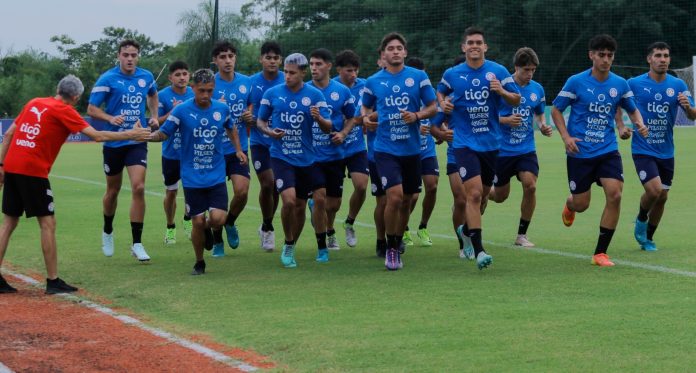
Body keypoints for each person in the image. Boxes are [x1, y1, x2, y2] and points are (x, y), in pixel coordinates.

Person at [0, 75, 151, 294]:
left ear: (58, 88)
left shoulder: (33, 103)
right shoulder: (65, 110)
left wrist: (1, 165)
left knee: (8, 223)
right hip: (33, 171)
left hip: (12, 165)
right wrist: (132, 134)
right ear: (76, 97)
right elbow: (97, 136)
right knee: (48, 224)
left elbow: (9, 134)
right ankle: (53, 281)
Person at [552, 34, 648, 267]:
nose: (606, 59)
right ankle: (570, 204)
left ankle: (600, 253)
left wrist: (638, 124)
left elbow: (632, 109)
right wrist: (565, 137)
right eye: (601, 55)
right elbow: (556, 110)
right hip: (580, 152)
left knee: (615, 194)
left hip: (607, 149)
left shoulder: (620, 84)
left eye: (610, 55)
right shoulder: (576, 81)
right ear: (591, 55)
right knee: (582, 204)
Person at [437, 27, 521, 270]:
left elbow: (516, 99)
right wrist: (444, 105)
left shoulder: (498, 71)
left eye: (479, 42)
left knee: (483, 197)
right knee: (472, 195)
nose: (474, 46)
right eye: (470, 42)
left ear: (485, 47)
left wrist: (502, 90)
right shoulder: (452, 74)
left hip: (491, 144)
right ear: (463, 48)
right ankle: (480, 251)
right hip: (464, 144)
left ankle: (467, 231)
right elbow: (439, 94)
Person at [361, 33, 437, 271]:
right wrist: (366, 119)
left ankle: (395, 242)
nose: (395, 51)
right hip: (385, 150)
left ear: (405, 52)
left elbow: (433, 106)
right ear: (384, 54)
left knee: (406, 201)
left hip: (412, 150)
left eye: (399, 48)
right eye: (390, 48)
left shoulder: (419, 77)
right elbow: (366, 105)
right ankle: (390, 249)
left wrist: (417, 116)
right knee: (393, 197)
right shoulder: (373, 81)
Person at [147, 69, 233, 275]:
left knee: (219, 219)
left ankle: (207, 228)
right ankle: (199, 262)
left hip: (216, 175)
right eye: (201, 90)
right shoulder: (181, 110)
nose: (205, 95)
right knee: (196, 220)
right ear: (193, 88)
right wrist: (148, 136)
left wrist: (238, 150)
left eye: (209, 91)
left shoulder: (222, 108)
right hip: (192, 176)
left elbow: (231, 127)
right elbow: (164, 133)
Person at [256, 53, 332, 268]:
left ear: (302, 73)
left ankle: (292, 243)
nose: (286, 76)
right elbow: (260, 121)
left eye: (291, 73)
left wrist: (319, 118)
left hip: (307, 159)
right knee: (288, 201)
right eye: (286, 72)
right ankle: (288, 244)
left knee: (299, 206)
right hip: (281, 156)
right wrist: (270, 132)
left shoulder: (315, 95)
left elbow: (328, 128)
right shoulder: (272, 94)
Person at [87, 39, 159, 262]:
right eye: (126, 55)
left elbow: (153, 95)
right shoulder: (108, 79)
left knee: (139, 187)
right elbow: (91, 108)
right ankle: (107, 230)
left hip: (137, 139)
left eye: (134, 55)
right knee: (113, 190)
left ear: (138, 56)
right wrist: (110, 117)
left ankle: (137, 243)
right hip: (114, 142)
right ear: (118, 56)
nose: (130, 59)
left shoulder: (146, 76)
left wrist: (154, 115)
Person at [620, 42, 696, 251]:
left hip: (667, 150)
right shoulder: (634, 84)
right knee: (653, 191)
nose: (663, 59)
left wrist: (688, 107)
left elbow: (693, 115)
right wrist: (621, 127)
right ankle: (641, 219)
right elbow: (618, 104)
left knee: (662, 197)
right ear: (649, 59)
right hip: (643, 148)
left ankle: (648, 238)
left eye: (666, 56)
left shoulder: (678, 85)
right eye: (658, 55)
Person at [488, 47, 553, 247]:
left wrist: (542, 125)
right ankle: (481, 192)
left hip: (526, 149)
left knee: (530, 185)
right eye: (526, 70)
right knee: (500, 197)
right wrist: (506, 120)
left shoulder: (537, 89)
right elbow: (488, 117)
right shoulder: (502, 86)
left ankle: (521, 235)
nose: (530, 74)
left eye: (533, 70)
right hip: (502, 150)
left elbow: (540, 113)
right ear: (516, 67)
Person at [307, 48, 356, 251]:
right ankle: (323, 240)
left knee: (333, 204)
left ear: (328, 66)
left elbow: (352, 118)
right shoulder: (304, 91)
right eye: (311, 64)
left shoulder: (342, 91)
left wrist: (343, 134)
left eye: (318, 64)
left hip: (335, 154)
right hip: (311, 156)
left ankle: (329, 228)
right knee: (319, 197)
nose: (314, 68)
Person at [211, 40, 254, 257]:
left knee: (242, 191)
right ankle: (217, 241)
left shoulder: (246, 82)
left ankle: (230, 222)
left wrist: (249, 115)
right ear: (215, 61)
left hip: (239, 149)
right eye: (222, 57)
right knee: (216, 201)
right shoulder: (209, 85)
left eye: (230, 56)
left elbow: (252, 106)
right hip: (214, 152)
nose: (227, 61)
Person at [248, 41, 285, 252]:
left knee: (278, 186)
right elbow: (244, 109)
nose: (272, 61)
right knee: (267, 184)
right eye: (268, 57)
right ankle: (269, 227)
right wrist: (249, 117)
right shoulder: (252, 83)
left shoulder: (287, 80)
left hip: (281, 143)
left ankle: (266, 225)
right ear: (261, 59)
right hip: (259, 141)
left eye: (276, 58)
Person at [333, 50, 369, 248]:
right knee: (333, 202)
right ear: (339, 70)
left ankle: (350, 222)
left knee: (362, 186)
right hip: (334, 149)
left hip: (356, 147)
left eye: (356, 70)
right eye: (349, 70)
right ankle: (329, 231)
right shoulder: (329, 88)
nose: (353, 74)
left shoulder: (364, 87)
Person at [402, 57, 439, 247]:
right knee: (412, 195)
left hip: (427, 150)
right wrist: (418, 128)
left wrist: (440, 133)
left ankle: (423, 226)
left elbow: (437, 122)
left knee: (432, 186)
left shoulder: (430, 94)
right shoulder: (402, 93)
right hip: (409, 150)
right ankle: (403, 227)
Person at [157, 61, 194, 245]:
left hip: (191, 153)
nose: (182, 77)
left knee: (191, 190)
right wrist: (174, 111)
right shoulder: (162, 96)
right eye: (178, 74)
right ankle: (170, 226)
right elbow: (156, 121)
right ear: (170, 77)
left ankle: (188, 219)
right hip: (171, 153)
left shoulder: (195, 93)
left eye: (185, 73)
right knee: (171, 192)